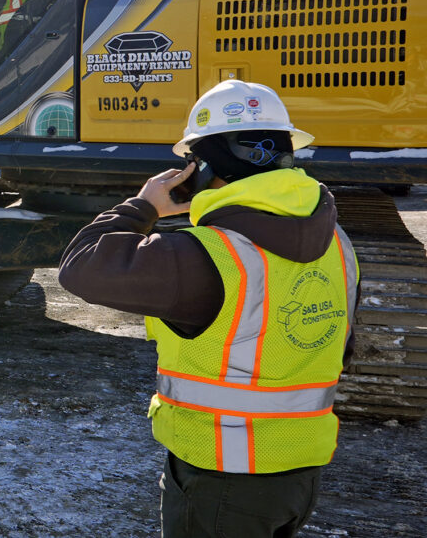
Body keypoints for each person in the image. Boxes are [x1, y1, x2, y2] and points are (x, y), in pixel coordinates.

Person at [58, 79, 359, 538]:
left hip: (222, 476)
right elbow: (341, 347)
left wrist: (142, 207)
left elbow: (80, 268)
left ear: (202, 167)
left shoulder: (205, 256)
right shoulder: (338, 244)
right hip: (301, 471)